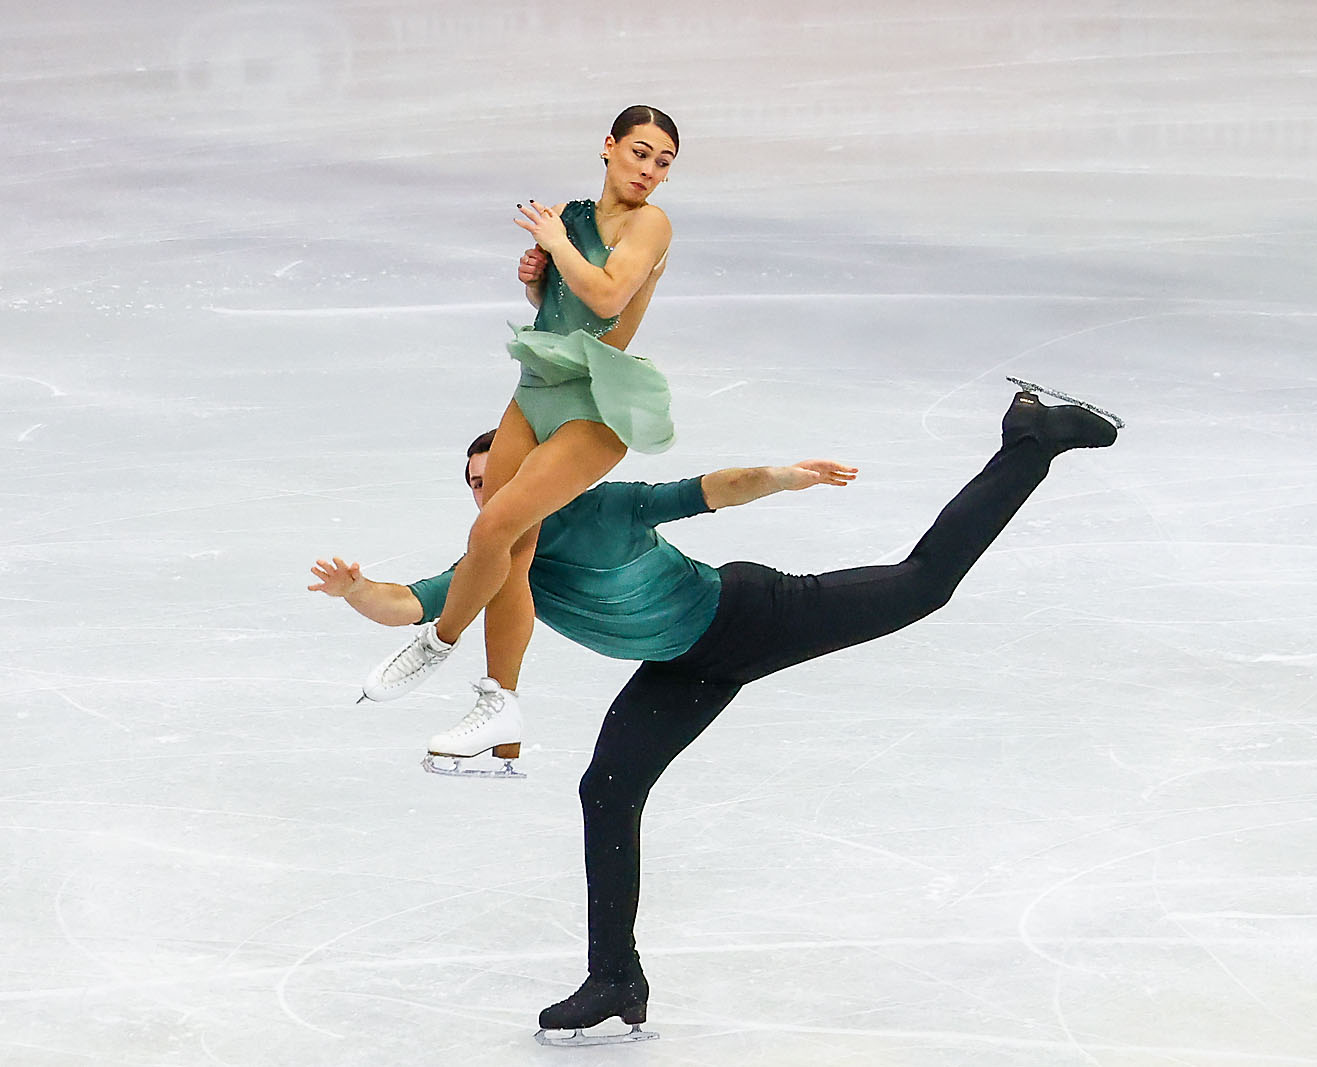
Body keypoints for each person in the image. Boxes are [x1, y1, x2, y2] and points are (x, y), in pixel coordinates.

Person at [310, 386, 1118, 1042]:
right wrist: (355, 592)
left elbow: (708, 491)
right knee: (606, 790)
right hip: (680, 668)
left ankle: (1030, 439)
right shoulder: (494, 559)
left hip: (749, 612)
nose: (488, 494)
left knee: (921, 586)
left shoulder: (606, 507)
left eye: (499, 477)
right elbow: (404, 604)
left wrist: (781, 475)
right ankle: (615, 977)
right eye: (476, 485)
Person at [358, 104, 682, 764]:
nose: (649, 169)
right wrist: (538, 284)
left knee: (491, 530)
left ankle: (438, 641)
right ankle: (500, 714)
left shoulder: (652, 225)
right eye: (640, 152)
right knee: (514, 550)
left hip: (595, 406)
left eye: (663, 161)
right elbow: (561, 305)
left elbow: (610, 298)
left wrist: (557, 246)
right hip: (536, 389)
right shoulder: (575, 214)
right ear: (609, 147)